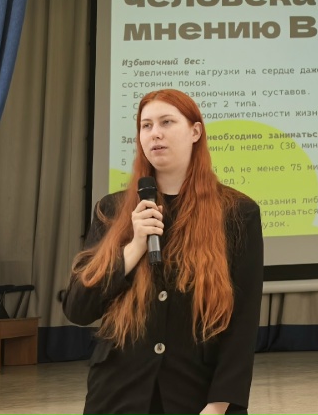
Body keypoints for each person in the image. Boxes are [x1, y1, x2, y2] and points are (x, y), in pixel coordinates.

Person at [64, 89, 263, 415]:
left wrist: (219, 405)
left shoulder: (238, 213)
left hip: (196, 394)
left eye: (167, 122)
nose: (155, 133)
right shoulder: (112, 210)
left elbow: (243, 322)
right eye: (146, 125)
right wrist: (134, 248)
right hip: (117, 396)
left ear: (195, 132)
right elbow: (78, 308)